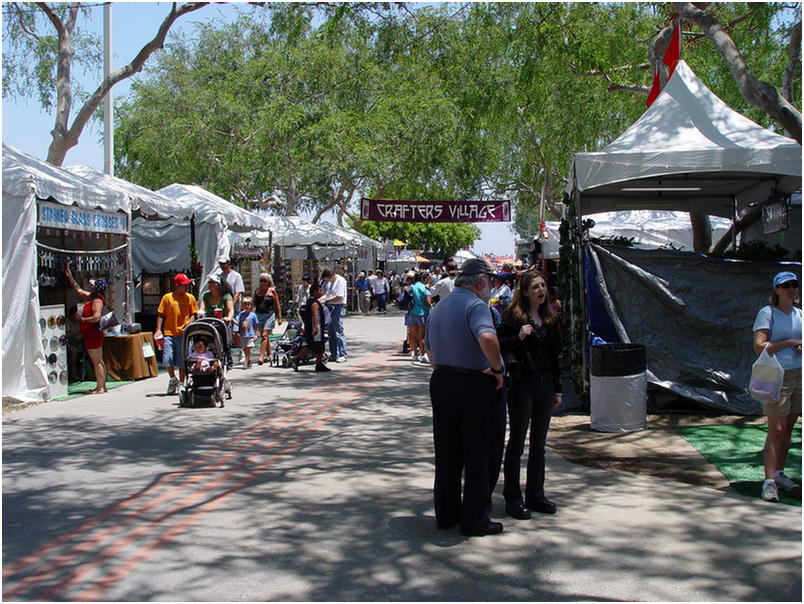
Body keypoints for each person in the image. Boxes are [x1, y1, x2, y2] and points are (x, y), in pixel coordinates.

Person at [424, 258, 506, 537]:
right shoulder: (476, 306)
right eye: (490, 282)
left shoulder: (439, 308)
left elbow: (430, 352)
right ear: (480, 281)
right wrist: (497, 369)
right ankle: (475, 519)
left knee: (447, 453)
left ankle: (446, 514)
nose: (491, 287)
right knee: (479, 454)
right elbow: (487, 338)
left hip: (443, 380)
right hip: (473, 385)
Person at [496, 271, 562, 520]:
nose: (541, 290)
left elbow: (555, 356)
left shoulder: (549, 318)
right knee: (517, 443)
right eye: (535, 287)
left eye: (543, 286)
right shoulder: (512, 317)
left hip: (545, 385)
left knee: (539, 445)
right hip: (522, 385)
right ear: (524, 291)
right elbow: (500, 346)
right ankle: (513, 498)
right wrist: (519, 336)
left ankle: (536, 494)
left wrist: (558, 388)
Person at [752, 270, 802, 502]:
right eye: (786, 286)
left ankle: (780, 474)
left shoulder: (799, 315)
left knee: (789, 428)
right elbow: (759, 346)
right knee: (777, 430)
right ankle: (769, 481)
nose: (791, 289)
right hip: (776, 376)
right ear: (777, 290)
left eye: (794, 285)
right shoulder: (767, 313)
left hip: (798, 374)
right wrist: (789, 343)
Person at [64, 265, 108, 394]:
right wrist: (70, 277)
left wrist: (83, 320)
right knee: (98, 360)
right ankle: (102, 386)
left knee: (97, 361)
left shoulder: (97, 301)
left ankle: (100, 387)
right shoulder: (92, 298)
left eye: (93, 285)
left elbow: (96, 317)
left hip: (93, 333)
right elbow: (78, 290)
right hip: (90, 333)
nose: (91, 286)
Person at [155, 273, 198, 395]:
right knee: (168, 358)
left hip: (184, 334)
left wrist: (188, 325)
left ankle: (182, 382)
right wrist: (158, 329)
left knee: (182, 360)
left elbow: (193, 314)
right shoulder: (167, 298)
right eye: (185, 285)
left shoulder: (190, 298)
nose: (187, 287)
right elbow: (161, 314)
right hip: (169, 332)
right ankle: (173, 379)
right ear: (177, 285)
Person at [291, 281, 331, 372]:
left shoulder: (311, 301)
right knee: (313, 345)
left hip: (313, 328)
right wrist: (316, 327)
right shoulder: (314, 302)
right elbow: (314, 315)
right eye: (320, 290)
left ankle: (319, 364)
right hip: (315, 329)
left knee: (315, 346)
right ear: (315, 291)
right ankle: (296, 359)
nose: (321, 292)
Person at [320, 268, 348, 362]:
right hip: (330, 307)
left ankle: (342, 354)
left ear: (331, 276)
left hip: (338, 307)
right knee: (330, 331)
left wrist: (327, 300)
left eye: (327, 279)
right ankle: (333, 353)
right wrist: (320, 299)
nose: (327, 282)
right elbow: (328, 295)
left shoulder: (340, 281)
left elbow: (339, 296)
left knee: (338, 331)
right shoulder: (330, 283)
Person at [408, 271, 432, 363]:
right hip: (423, 313)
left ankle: (414, 353)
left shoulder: (412, 287)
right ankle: (423, 354)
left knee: (412, 335)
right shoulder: (424, 287)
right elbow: (428, 302)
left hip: (412, 312)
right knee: (421, 335)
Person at [236, 296, 259, 369]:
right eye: (245, 305)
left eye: (249, 305)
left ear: (251, 306)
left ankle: (247, 360)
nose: (247, 306)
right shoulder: (241, 314)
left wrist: (256, 335)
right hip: (243, 335)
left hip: (250, 335)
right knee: (245, 348)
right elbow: (238, 323)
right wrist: (232, 320)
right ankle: (248, 359)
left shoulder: (253, 315)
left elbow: (256, 325)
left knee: (248, 348)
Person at [65, 304, 84, 382]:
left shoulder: (81, 321)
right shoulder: (67, 321)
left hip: (79, 342)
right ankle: (73, 373)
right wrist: (80, 332)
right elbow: (69, 334)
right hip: (69, 343)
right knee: (73, 351)